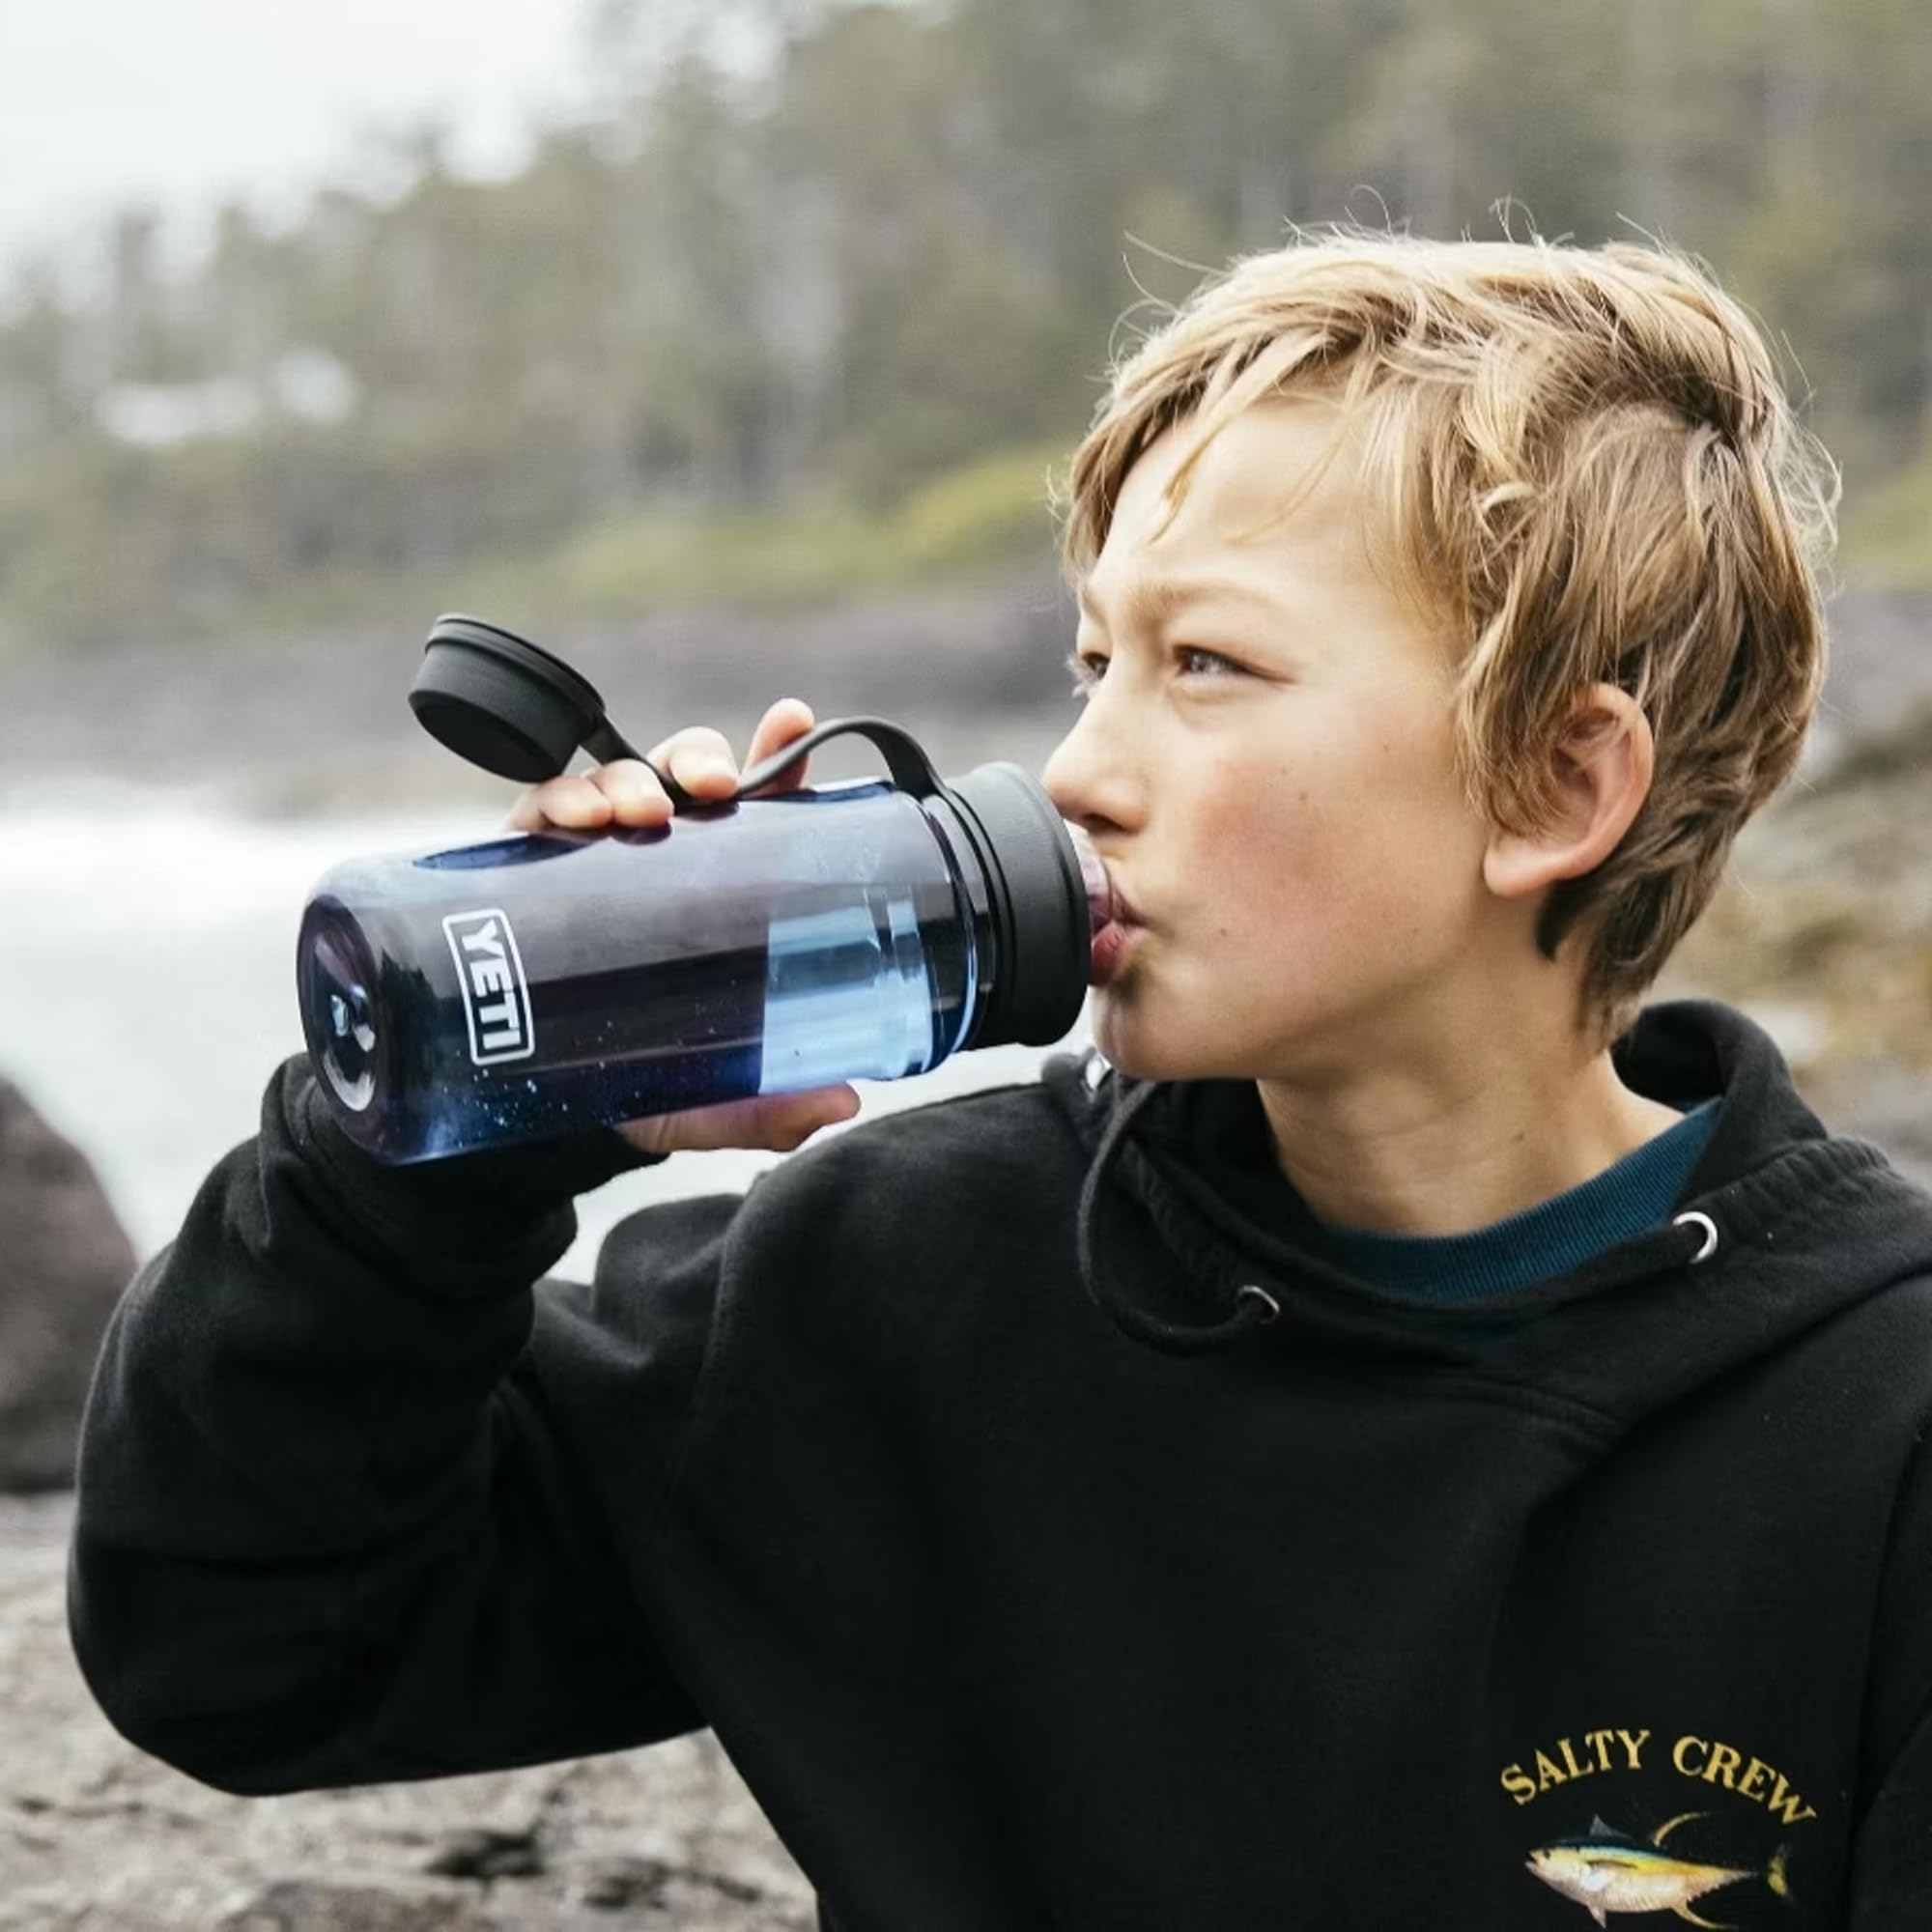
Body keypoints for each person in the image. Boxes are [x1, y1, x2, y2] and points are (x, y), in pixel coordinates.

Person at [68, 229, 1932, 1930]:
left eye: (1206, 664)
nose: (1075, 773)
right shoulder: (912, 1279)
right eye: (1093, 657)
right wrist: (445, 1154)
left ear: (1555, 785)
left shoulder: (1875, 1421)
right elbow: (241, 1645)